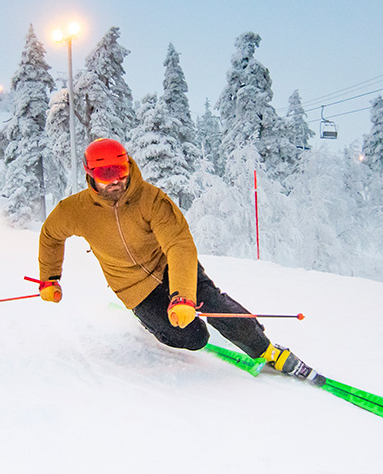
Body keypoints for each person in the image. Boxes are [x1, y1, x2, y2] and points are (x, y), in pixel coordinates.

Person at [37, 138, 317, 381]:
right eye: (104, 173)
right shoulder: (75, 210)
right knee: (194, 338)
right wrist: (49, 279)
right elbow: (50, 235)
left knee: (214, 303)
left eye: (119, 170)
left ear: (128, 166)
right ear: (90, 174)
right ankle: (151, 321)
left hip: (171, 267)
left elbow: (179, 244)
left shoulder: (151, 200)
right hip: (134, 288)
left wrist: (183, 295)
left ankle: (268, 351)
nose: (115, 180)